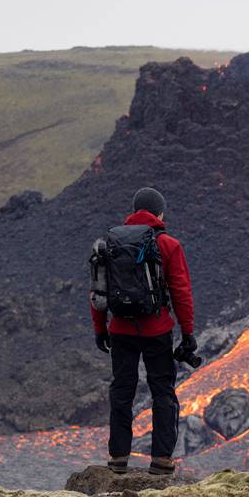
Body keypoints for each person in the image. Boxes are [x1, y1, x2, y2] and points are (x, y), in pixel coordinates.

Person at [91, 187, 197, 475]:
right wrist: (188, 332)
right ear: (159, 213)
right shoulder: (169, 245)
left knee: (122, 391)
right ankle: (161, 460)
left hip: (121, 330)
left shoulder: (108, 244)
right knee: (162, 391)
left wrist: (100, 329)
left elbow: (98, 290)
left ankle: (118, 459)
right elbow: (181, 291)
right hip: (157, 330)